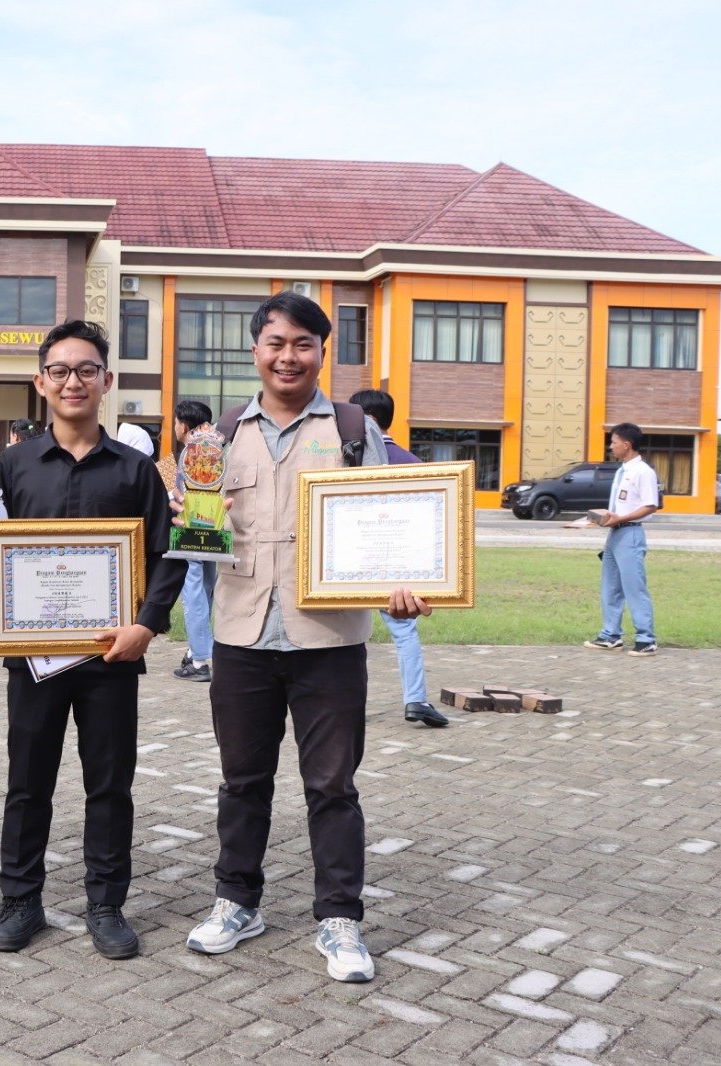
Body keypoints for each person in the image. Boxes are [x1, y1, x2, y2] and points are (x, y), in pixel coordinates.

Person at [186, 292, 430, 983]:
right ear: (255, 351)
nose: (287, 357)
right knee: (242, 782)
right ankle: (237, 903)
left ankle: (341, 918)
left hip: (328, 639)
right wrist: (192, 516)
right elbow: (198, 538)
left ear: (323, 352)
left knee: (332, 786)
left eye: (303, 344)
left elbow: (391, 519)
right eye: (275, 343)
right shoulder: (217, 437)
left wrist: (407, 585)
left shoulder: (353, 430)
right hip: (242, 635)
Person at [0, 321, 185, 959]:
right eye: (59, 370)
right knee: (28, 781)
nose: (72, 381)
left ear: (106, 381)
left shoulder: (136, 470)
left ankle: (106, 904)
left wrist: (147, 624)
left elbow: (166, 554)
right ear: (40, 382)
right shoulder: (14, 465)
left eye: (86, 370)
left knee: (109, 784)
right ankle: (19, 898)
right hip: (33, 658)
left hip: (112, 653)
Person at [348, 389, 449, 729]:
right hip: (398, 565)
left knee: (348, 636)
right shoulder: (412, 462)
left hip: (352, 562)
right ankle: (416, 699)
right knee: (405, 631)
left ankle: (347, 704)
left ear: (365, 418)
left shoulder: (346, 460)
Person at [584, 422, 660, 656]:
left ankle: (646, 640)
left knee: (635, 588)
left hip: (630, 533)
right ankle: (610, 635)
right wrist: (604, 517)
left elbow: (650, 505)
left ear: (627, 444)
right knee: (610, 587)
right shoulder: (622, 470)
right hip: (615, 534)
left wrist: (620, 518)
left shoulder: (643, 472)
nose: (611, 446)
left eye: (614, 442)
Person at [171, 400, 217, 684]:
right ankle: (195, 651)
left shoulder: (189, 452)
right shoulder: (215, 448)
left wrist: (169, 495)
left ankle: (199, 660)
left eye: (176, 422)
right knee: (206, 590)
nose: (174, 427)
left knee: (194, 594)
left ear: (184, 425)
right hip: (213, 528)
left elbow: (182, 495)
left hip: (191, 530)